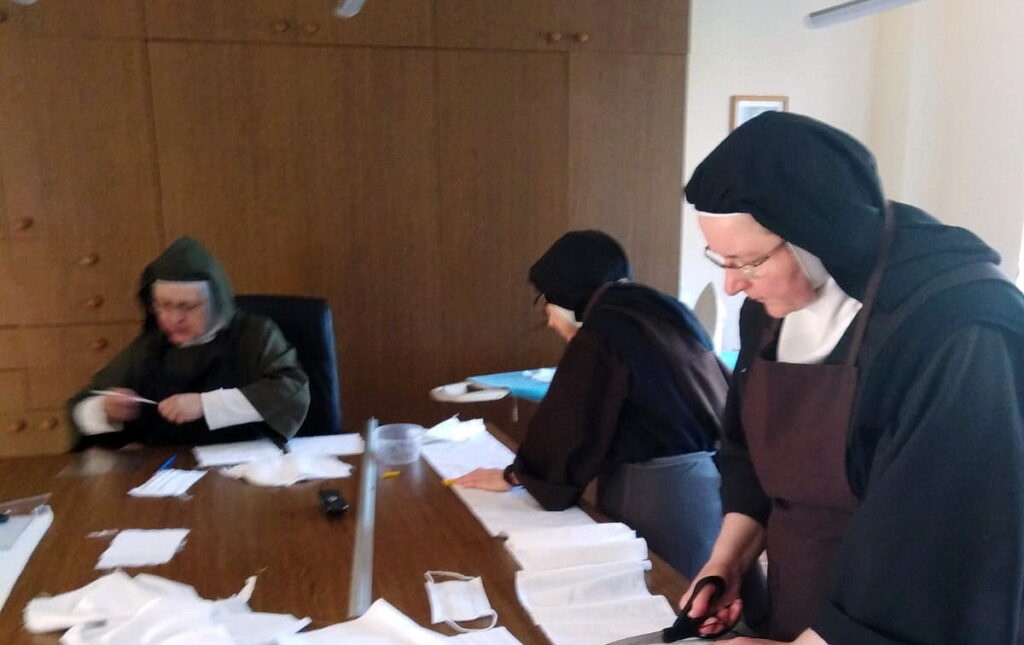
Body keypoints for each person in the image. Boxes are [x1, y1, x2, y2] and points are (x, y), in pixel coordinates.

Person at [680, 112, 1024, 644]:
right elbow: (745, 453)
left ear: (816, 237)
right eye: (720, 260)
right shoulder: (767, 311)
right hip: (801, 605)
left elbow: (931, 546)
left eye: (747, 262)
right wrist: (726, 562)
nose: (732, 286)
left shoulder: (956, 328)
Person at [455, 230, 731, 580]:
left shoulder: (604, 329)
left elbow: (568, 424)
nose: (549, 319)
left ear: (562, 293)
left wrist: (517, 474)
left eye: (546, 302)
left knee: (663, 586)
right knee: (710, 580)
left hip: (659, 492)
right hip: (711, 478)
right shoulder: (662, 308)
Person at [67, 236, 310, 447]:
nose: (174, 319)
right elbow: (82, 405)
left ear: (215, 302)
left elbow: (291, 389)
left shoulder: (255, 334)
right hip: (169, 471)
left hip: (246, 465)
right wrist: (106, 409)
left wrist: (206, 405)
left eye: (187, 306)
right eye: (163, 305)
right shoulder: (150, 346)